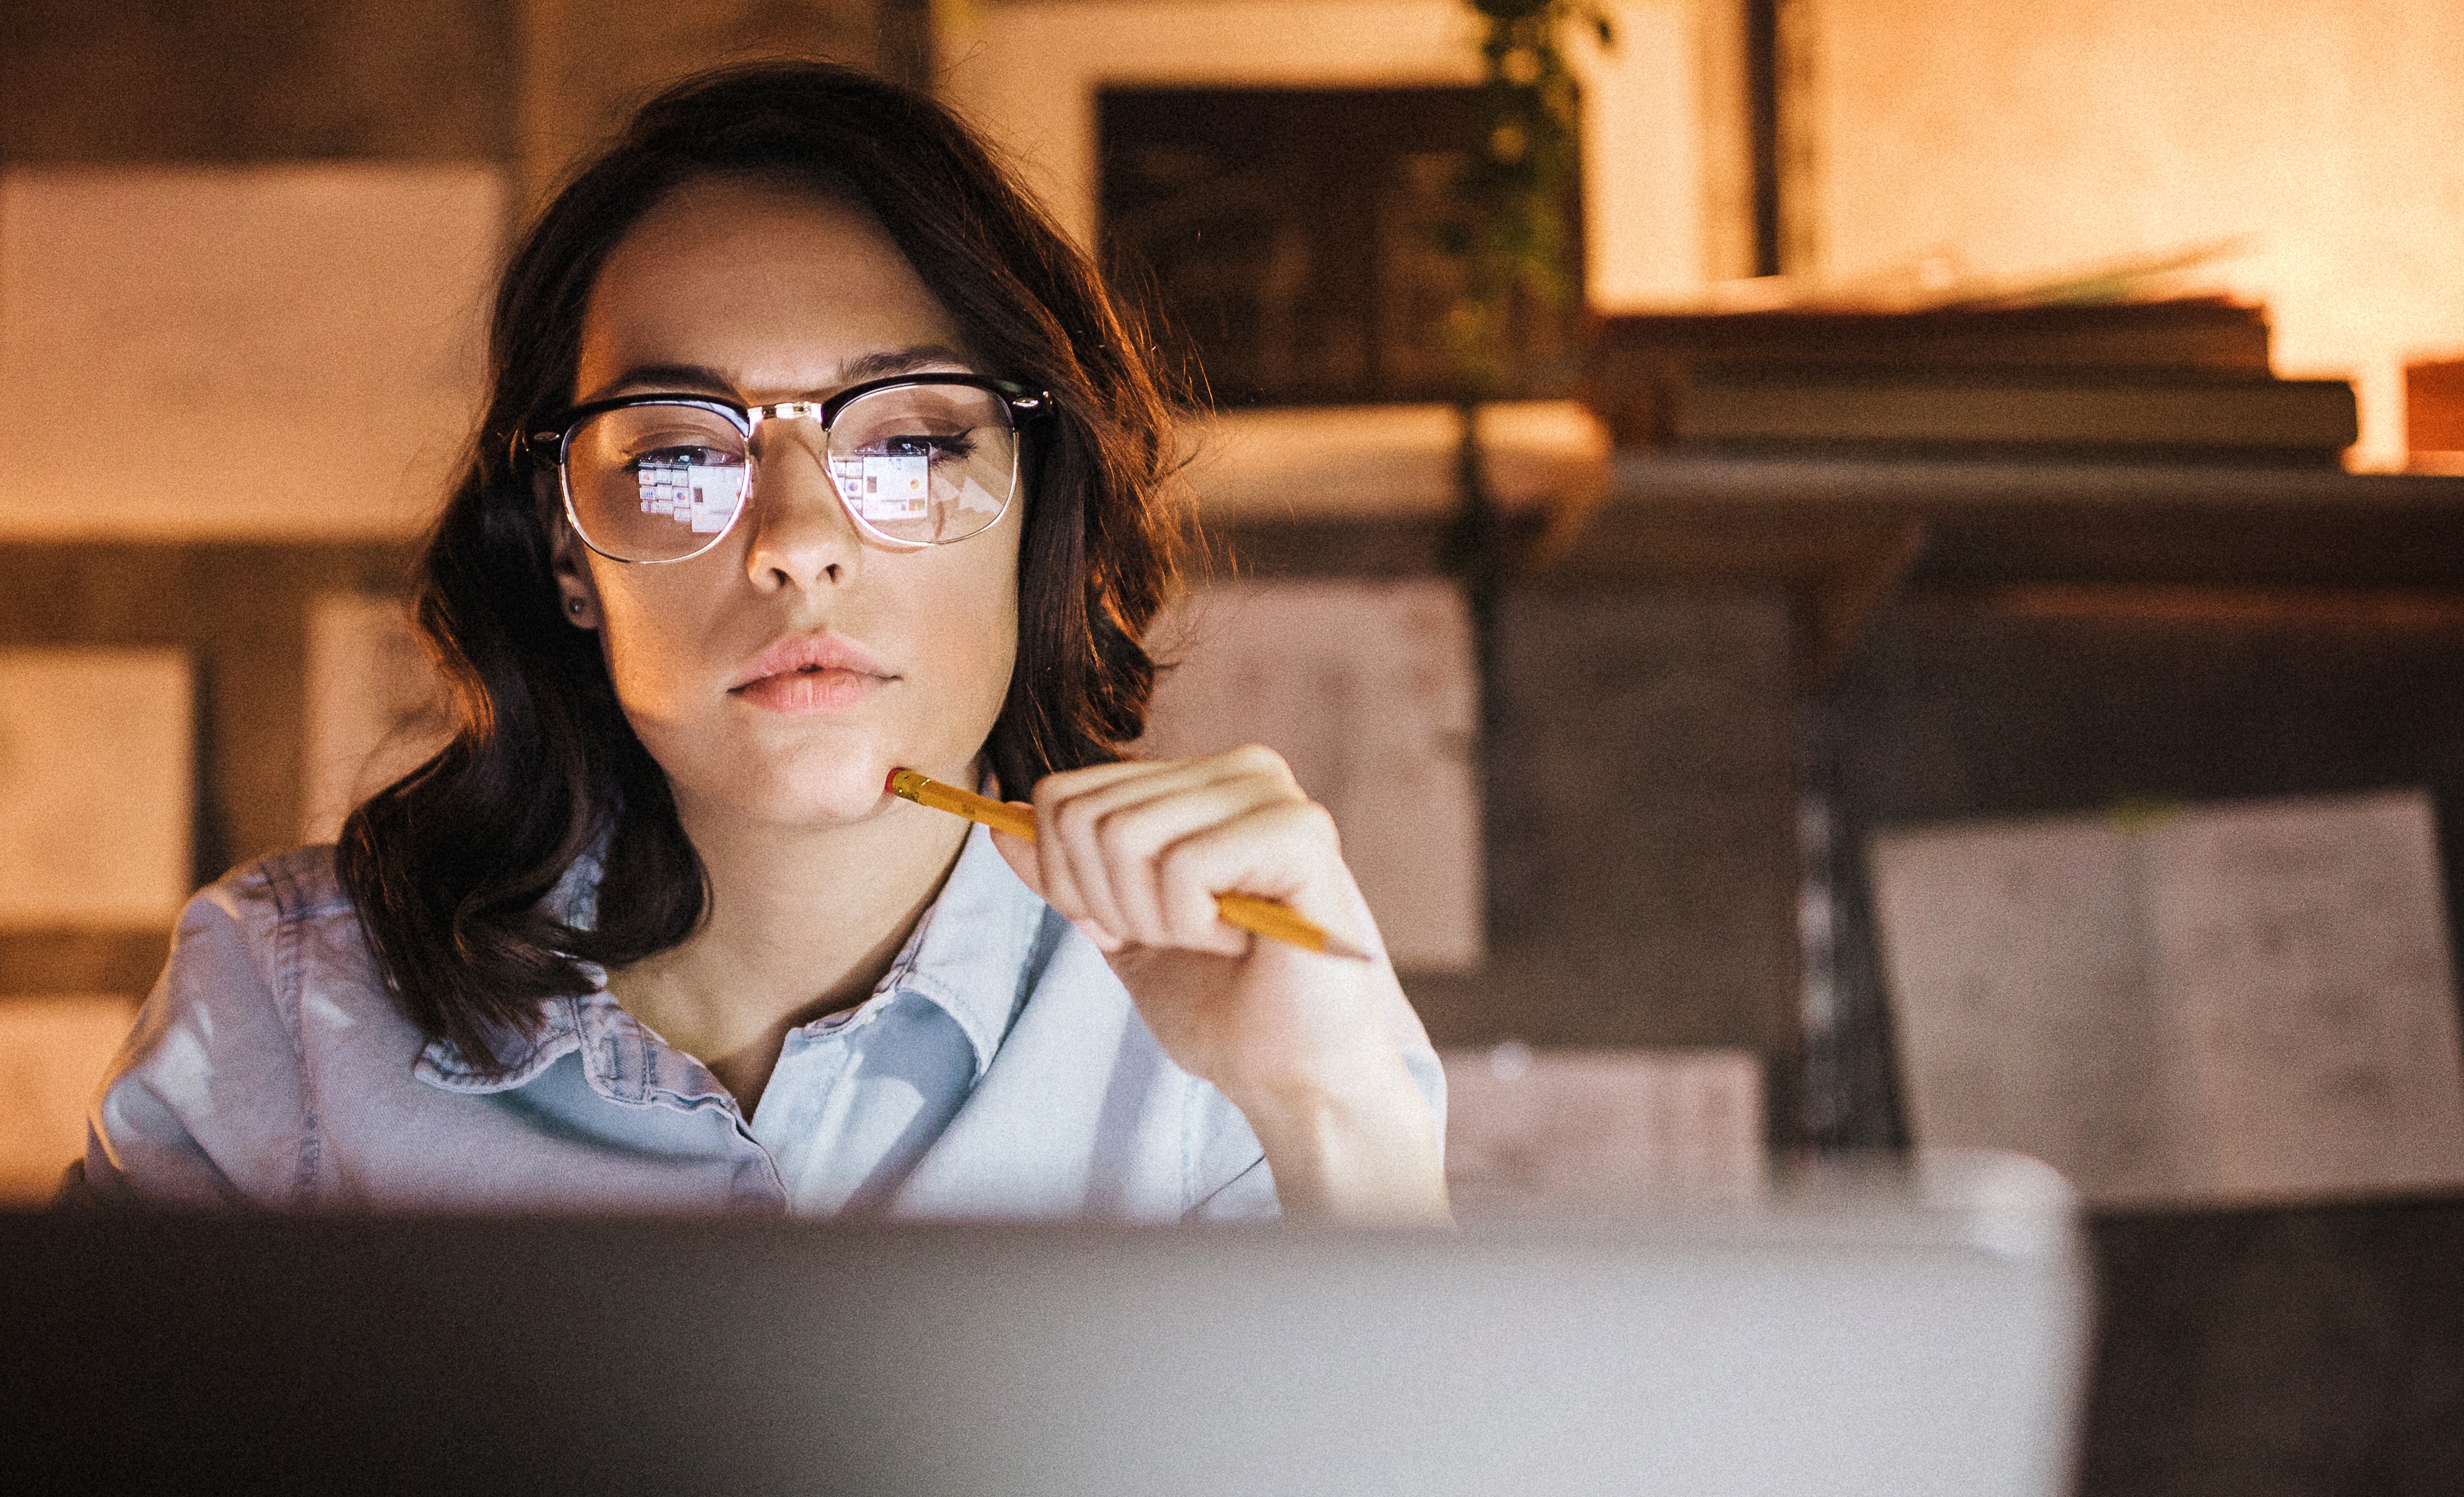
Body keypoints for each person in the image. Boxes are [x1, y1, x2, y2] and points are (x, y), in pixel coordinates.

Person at [83, 61, 1446, 1221]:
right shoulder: (281, 1018)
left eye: (909, 441)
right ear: (564, 552)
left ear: (1039, 515)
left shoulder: (1240, 1030)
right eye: (679, 456)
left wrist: (1331, 1118)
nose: (796, 540)